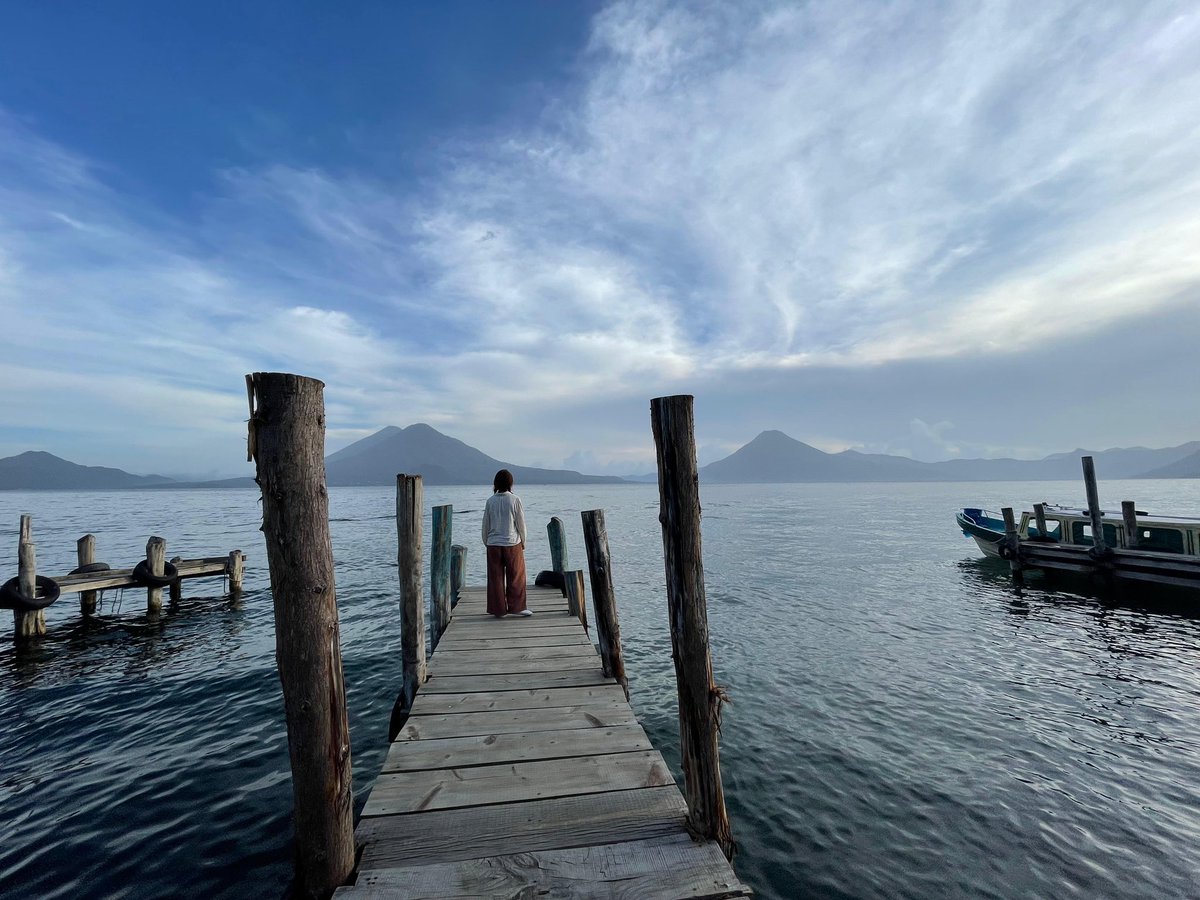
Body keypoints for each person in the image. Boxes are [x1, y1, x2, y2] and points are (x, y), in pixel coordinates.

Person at [482, 468, 530, 617]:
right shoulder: (515, 500)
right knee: (516, 576)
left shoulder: (490, 501)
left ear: (495, 483)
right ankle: (517, 608)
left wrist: (486, 542)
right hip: (512, 543)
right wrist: (523, 541)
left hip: (493, 544)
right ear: (511, 483)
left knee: (495, 578)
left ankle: (498, 610)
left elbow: (485, 525)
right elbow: (520, 524)